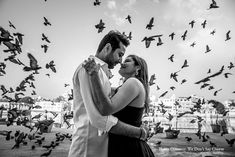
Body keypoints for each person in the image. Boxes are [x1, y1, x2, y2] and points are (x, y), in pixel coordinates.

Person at [68, 30, 148, 157]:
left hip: (101, 147)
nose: (120, 61)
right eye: (120, 54)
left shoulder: (99, 72)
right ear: (108, 48)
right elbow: (99, 119)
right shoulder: (89, 68)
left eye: (124, 58)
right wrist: (138, 132)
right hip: (87, 148)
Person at [84, 54, 155, 157]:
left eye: (127, 61)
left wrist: (94, 74)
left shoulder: (133, 82)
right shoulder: (127, 86)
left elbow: (106, 109)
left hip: (128, 148)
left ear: (137, 67)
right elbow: (105, 91)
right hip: (126, 144)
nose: (122, 63)